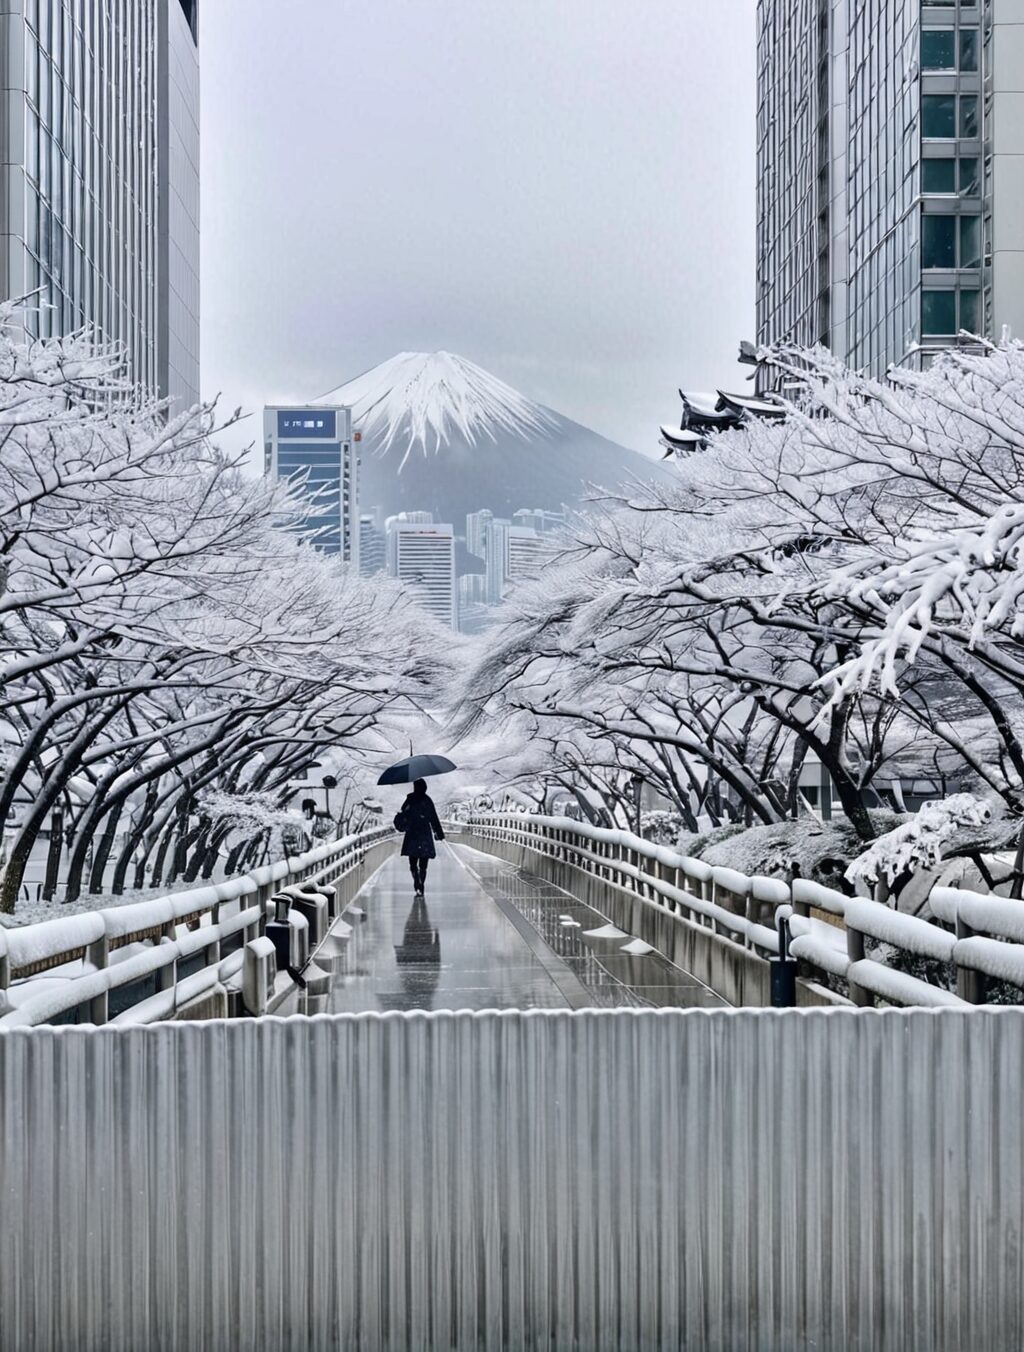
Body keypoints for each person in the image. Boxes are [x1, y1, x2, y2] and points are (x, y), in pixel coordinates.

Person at [398, 779, 445, 896]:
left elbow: (403, 813)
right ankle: (421, 885)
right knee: (423, 865)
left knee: (413, 863)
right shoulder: (427, 800)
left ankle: (416, 880)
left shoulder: (410, 800)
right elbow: (434, 818)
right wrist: (439, 833)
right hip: (425, 835)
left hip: (412, 834)